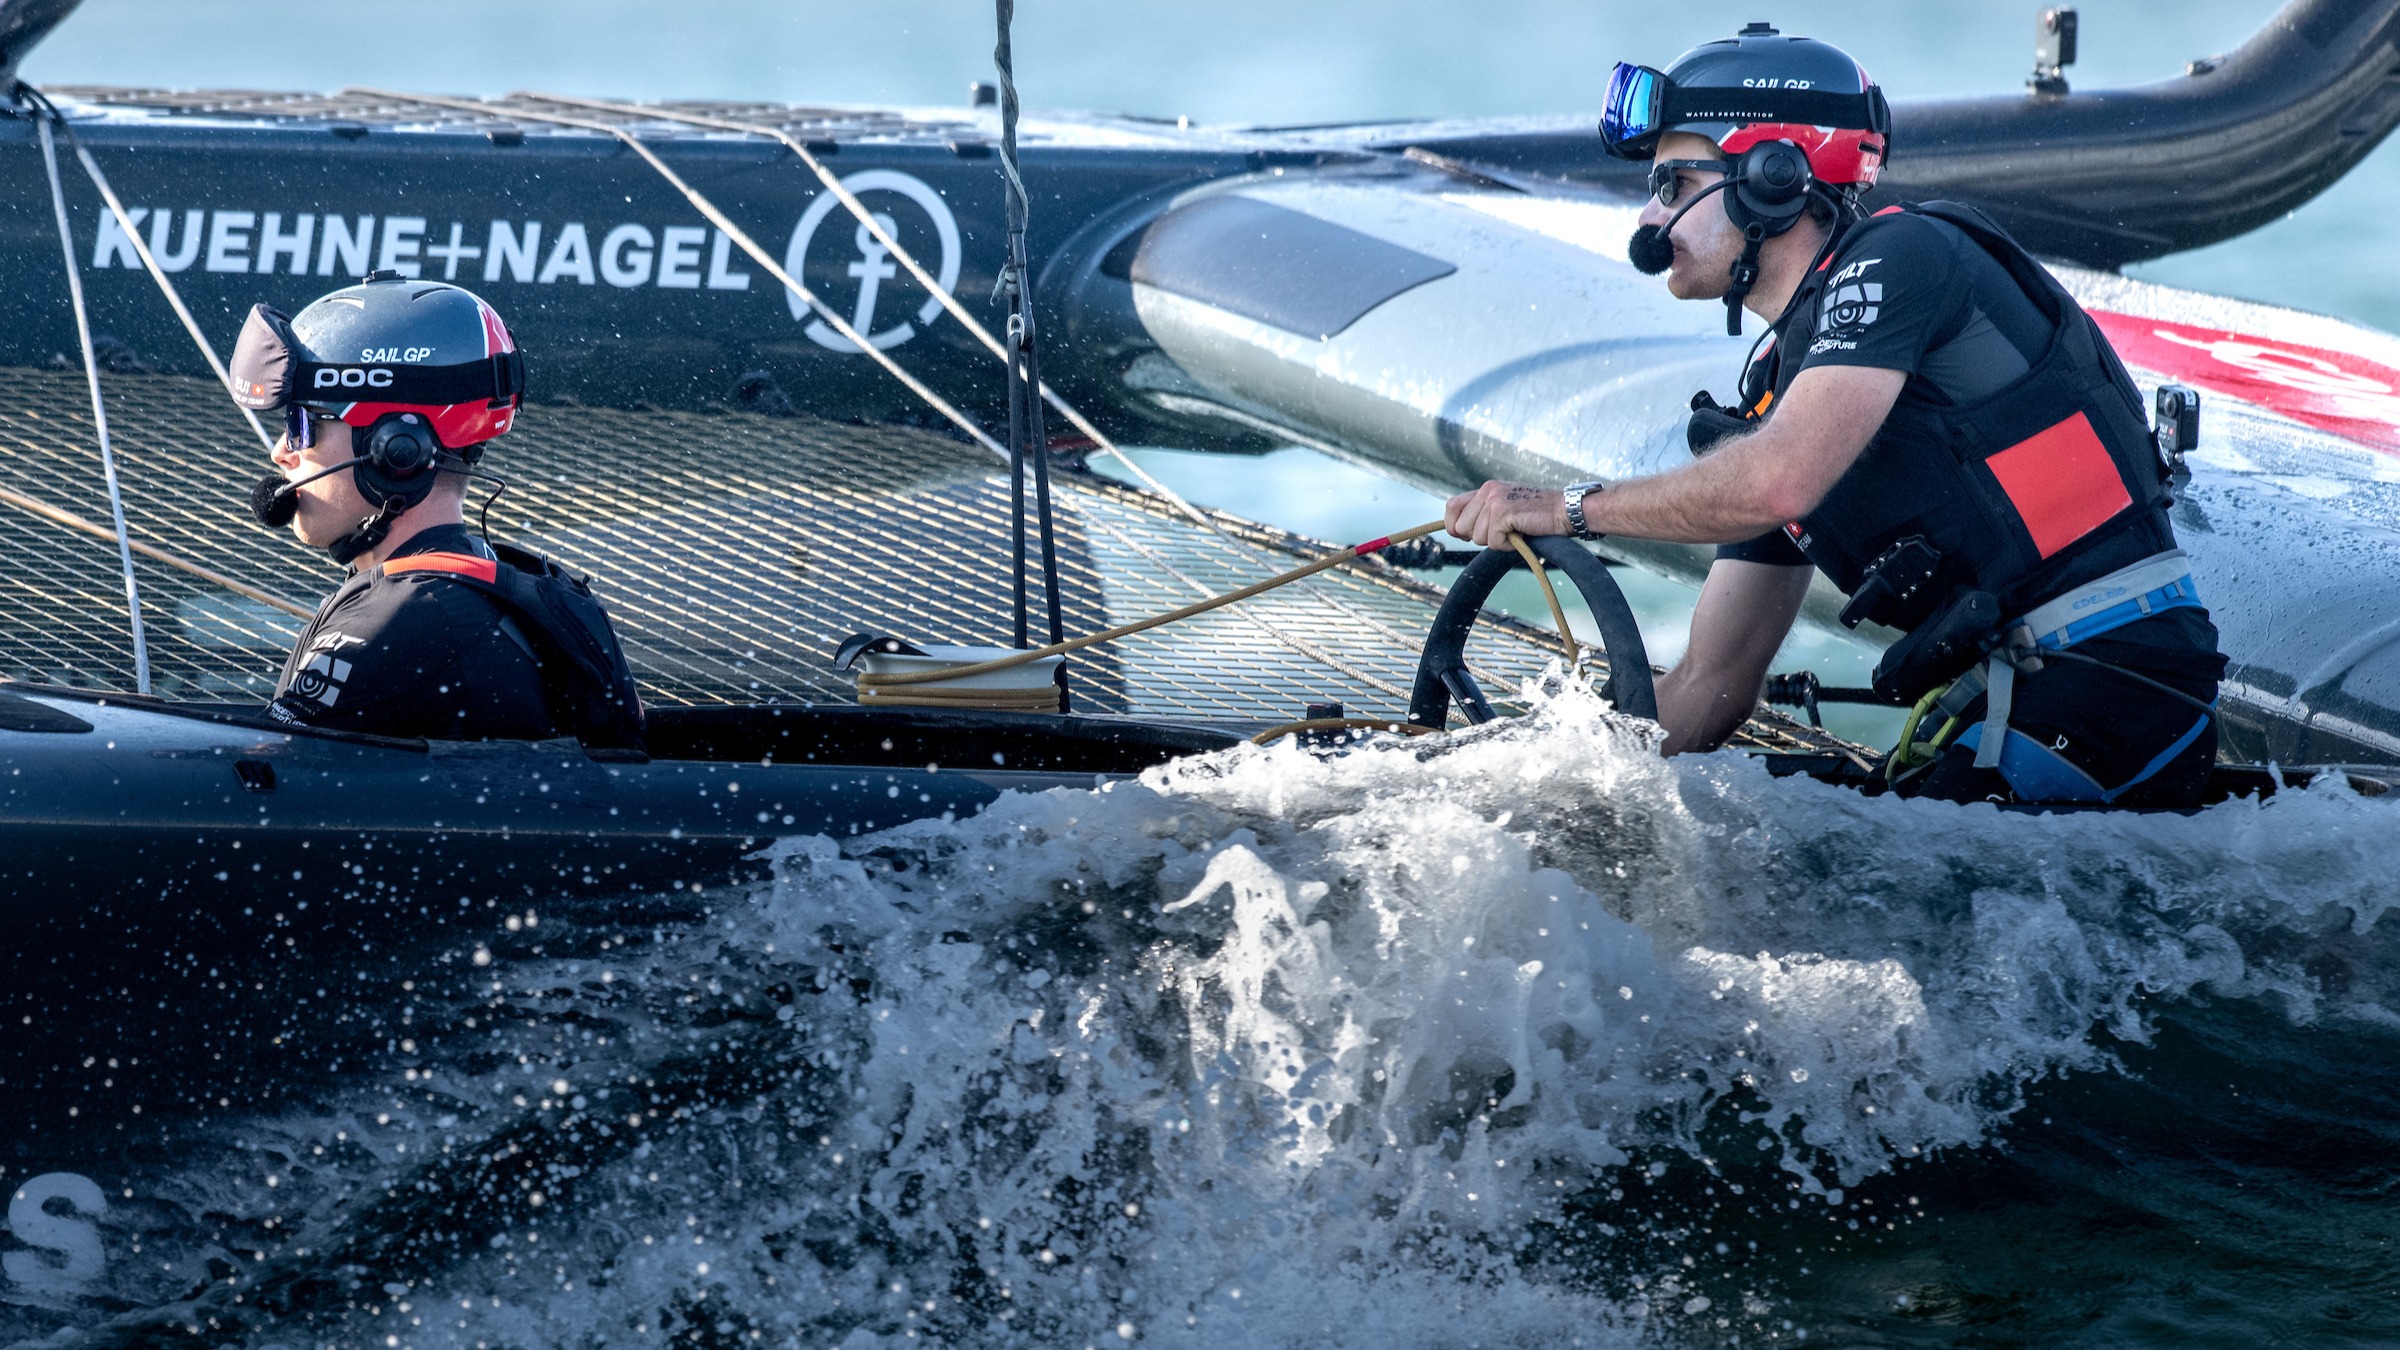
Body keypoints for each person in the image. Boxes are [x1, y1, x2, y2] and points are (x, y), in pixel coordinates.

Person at [1443, 24, 2226, 807]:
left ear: (1772, 177)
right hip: (2019, 699)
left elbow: (1778, 482)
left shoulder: (1902, 259)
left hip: (2118, 690)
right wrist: (1532, 794)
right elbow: (1712, 683)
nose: (1651, 223)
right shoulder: (1784, 396)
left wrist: (1568, 509)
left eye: (1674, 187)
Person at [230, 271, 646, 749]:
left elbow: (259, 783)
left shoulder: (397, 624)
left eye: (302, 422)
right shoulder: (503, 585)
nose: (280, 451)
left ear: (396, 450)